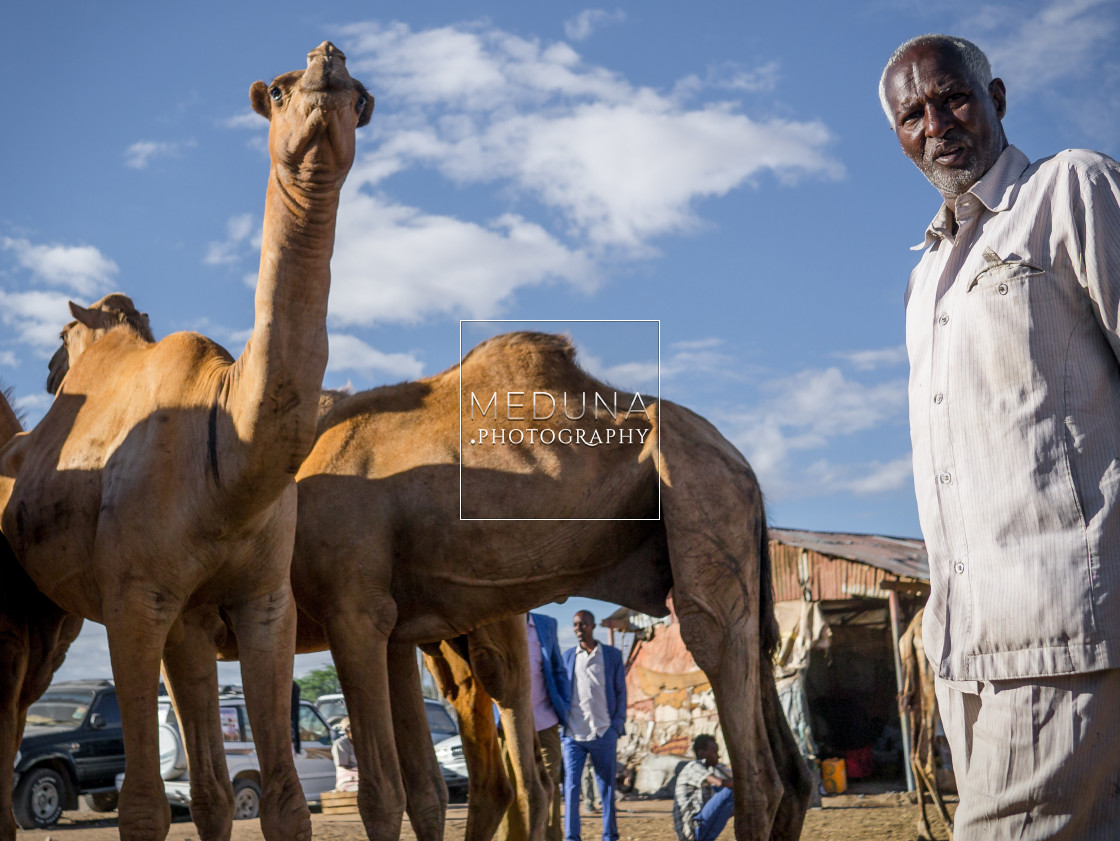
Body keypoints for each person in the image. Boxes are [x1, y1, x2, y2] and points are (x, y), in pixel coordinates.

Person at [881, 33, 1120, 839]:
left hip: (1063, 615)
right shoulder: (924, 276)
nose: (936, 122)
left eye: (952, 96)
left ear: (998, 99)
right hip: (965, 653)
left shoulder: (1069, 190)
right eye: (912, 114)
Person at [495, 612, 572, 841]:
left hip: (545, 721)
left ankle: (549, 838)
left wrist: (564, 706)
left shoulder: (545, 624)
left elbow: (557, 668)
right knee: (509, 787)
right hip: (507, 723)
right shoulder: (494, 621)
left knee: (548, 784)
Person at [561, 610, 626, 841]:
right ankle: (571, 837)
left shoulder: (611, 656)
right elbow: (561, 692)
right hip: (573, 734)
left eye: (583, 624)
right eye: (576, 624)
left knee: (607, 788)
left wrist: (616, 726)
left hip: (603, 731)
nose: (579, 628)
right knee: (570, 788)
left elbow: (621, 691)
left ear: (593, 626)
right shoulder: (568, 657)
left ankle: (609, 835)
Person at [672, 734, 733, 841]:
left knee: (730, 797)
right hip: (691, 829)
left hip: (701, 828)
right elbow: (719, 782)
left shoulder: (709, 771)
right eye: (714, 752)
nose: (718, 756)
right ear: (701, 753)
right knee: (729, 790)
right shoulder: (693, 766)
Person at [331, 716, 359, 792]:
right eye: (349, 729)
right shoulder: (340, 744)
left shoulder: (362, 743)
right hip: (349, 779)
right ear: (346, 731)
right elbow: (343, 766)